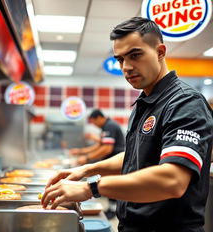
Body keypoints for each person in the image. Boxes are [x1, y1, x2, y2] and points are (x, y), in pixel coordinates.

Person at [41, 17, 213, 232]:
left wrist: (90, 188)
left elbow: (173, 180)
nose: (127, 67)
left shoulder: (185, 102)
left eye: (135, 55)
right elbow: (136, 155)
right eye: (120, 59)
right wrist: (86, 169)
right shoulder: (144, 103)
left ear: (160, 52)